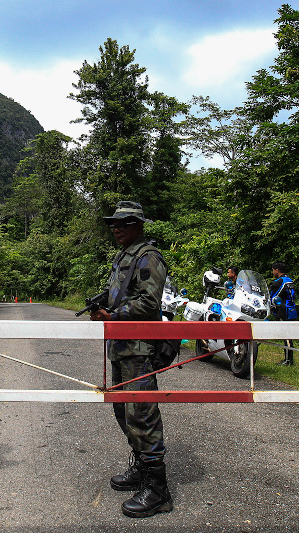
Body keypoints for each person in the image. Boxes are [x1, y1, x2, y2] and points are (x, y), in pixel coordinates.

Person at [90, 200, 173, 518]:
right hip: (121, 345)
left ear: (138, 225)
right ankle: (140, 466)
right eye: (114, 223)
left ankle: (158, 487)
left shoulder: (148, 256)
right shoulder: (122, 255)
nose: (116, 228)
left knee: (142, 413)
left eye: (123, 223)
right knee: (122, 409)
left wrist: (114, 314)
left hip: (138, 347)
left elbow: (149, 302)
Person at [269, 261, 298, 366]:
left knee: (286, 336)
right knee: (288, 336)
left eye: (273, 270)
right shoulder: (289, 280)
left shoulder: (279, 281)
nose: (273, 272)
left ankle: (288, 360)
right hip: (291, 310)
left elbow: (272, 296)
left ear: (277, 270)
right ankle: (288, 359)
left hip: (283, 311)